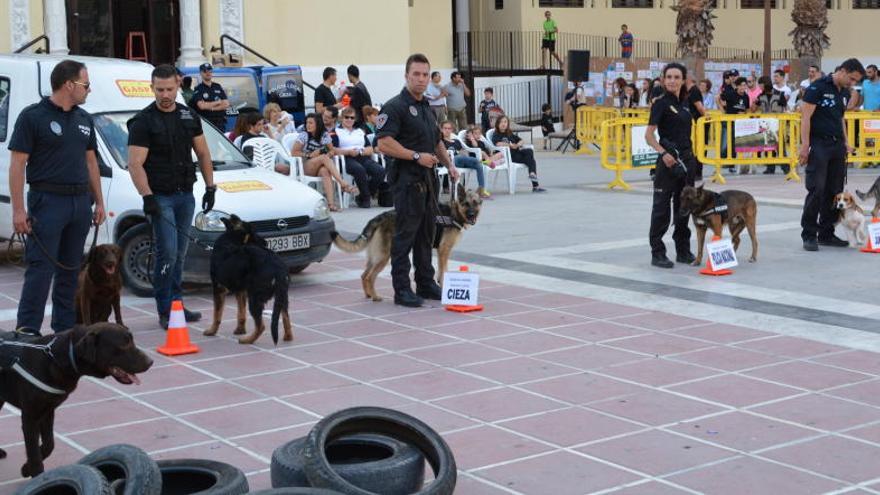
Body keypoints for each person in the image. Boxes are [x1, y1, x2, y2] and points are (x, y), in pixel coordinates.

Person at [8, 59, 106, 335]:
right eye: (86, 85)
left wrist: (99, 201)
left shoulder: (84, 119)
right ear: (68, 84)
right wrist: (18, 210)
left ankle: (64, 333)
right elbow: (17, 165)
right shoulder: (33, 117)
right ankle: (27, 332)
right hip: (47, 202)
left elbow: (91, 163)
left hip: (80, 204)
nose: (89, 90)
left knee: (70, 273)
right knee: (40, 272)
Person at [127, 64, 215, 329]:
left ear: (178, 86)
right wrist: (147, 197)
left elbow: (203, 153)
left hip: (185, 194)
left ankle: (177, 304)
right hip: (160, 196)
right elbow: (135, 164)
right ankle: (165, 309)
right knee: (167, 254)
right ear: (152, 88)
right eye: (159, 90)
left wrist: (211, 187)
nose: (165, 94)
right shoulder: (144, 121)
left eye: (169, 89)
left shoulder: (189, 116)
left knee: (180, 254)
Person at [376, 53, 460, 308]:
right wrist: (415, 156)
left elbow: (436, 142)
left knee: (427, 233)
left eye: (425, 75)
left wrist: (449, 164)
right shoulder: (394, 107)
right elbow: (384, 143)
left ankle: (425, 282)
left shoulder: (426, 107)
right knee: (405, 236)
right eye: (417, 74)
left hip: (428, 181)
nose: (422, 79)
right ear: (406, 76)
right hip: (407, 181)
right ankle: (402, 289)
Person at [799, 58, 866, 252]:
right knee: (817, 189)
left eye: (855, 81)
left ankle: (826, 233)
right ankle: (809, 234)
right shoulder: (817, 87)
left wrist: (845, 142)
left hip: (837, 146)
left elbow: (840, 118)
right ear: (843, 71)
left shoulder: (844, 92)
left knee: (834, 190)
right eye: (852, 79)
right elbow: (806, 118)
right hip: (819, 144)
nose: (852, 83)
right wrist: (805, 146)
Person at [645, 62, 697, 269]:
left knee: (684, 207)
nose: (673, 81)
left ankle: (683, 251)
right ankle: (657, 252)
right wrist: (663, 153)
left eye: (677, 77)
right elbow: (649, 136)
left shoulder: (685, 103)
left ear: (683, 80)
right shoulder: (660, 103)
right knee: (661, 208)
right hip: (668, 163)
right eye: (669, 77)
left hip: (687, 163)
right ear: (663, 79)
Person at [289, 113, 356, 211]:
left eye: (311, 123)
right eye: (307, 123)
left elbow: (332, 150)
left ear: (318, 124)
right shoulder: (303, 135)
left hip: (320, 165)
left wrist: (328, 155)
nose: (308, 125)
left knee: (325, 171)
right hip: (306, 166)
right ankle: (343, 184)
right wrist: (308, 155)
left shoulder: (324, 135)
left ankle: (331, 205)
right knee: (323, 158)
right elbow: (294, 152)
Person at [335, 106, 386, 208]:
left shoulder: (360, 131)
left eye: (352, 118)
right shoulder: (336, 132)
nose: (349, 120)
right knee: (359, 170)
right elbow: (333, 150)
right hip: (346, 158)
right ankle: (366, 198)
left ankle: (363, 195)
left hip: (362, 156)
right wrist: (348, 152)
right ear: (341, 118)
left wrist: (362, 151)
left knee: (380, 171)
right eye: (346, 117)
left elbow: (370, 149)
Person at [492, 115, 545, 192]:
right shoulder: (496, 134)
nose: (503, 124)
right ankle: (535, 185)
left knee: (529, 152)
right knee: (531, 160)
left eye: (505, 122)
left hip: (516, 153)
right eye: (501, 122)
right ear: (497, 124)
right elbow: (497, 144)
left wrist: (517, 145)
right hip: (508, 157)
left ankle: (532, 174)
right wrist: (510, 145)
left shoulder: (509, 133)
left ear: (508, 124)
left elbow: (521, 140)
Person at [440, 120, 491, 199]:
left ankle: (481, 189)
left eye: (449, 128)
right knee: (465, 159)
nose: (447, 130)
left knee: (478, 165)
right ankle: (484, 161)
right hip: (449, 162)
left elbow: (463, 151)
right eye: (445, 128)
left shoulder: (456, 141)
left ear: (452, 130)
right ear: (441, 129)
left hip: (460, 160)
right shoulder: (440, 142)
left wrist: (464, 155)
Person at [755, 75, 790, 175]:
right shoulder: (760, 96)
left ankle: (786, 168)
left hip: (777, 124)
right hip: (765, 124)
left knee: (780, 147)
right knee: (768, 146)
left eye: (760, 85)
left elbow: (785, 107)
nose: (760, 88)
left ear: (765, 84)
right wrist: (755, 102)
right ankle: (770, 168)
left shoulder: (780, 94)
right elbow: (754, 108)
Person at [189, 63, 230, 131]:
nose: (208, 73)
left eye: (210, 71)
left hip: (220, 123)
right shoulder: (199, 89)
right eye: (205, 71)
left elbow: (226, 104)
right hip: (207, 124)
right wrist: (217, 102)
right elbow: (202, 106)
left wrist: (211, 108)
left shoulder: (217, 86)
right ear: (201, 73)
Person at [686, 77, 706, 180]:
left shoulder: (694, 91)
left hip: (697, 124)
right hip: (691, 124)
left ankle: (698, 173)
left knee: (697, 149)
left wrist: (705, 117)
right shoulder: (688, 91)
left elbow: (699, 106)